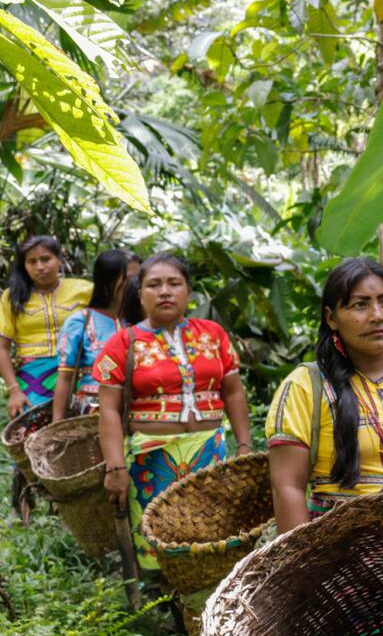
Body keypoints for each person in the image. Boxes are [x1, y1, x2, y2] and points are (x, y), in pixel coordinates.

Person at [94, 253, 253, 570]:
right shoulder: (122, 343)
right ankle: (170, 604)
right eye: (154, 284)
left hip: (211, 457)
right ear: (140, 295)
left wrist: (245, 444)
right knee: (161, 538)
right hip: (152, 460)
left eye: (174, 283)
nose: (164, 291)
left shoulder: (213, 334)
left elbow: (233, 391)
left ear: (188, 292)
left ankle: (205, 604)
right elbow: (109, 411)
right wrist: (115, 469)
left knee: (213, 536)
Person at [265, 257, 383, 533]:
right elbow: (287, 486)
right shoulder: (304, 386)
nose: (377, 315)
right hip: (340, 549)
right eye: (360, 304)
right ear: (331, 318)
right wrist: (303, 567)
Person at [0, 235, 92, 418]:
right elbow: (2, 348)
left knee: (82, 432)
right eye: (31, 262)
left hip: (79, 373)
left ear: (59, 259)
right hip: (32, 377)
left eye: (45, 259)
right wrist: (14, 391)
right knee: (32, 431)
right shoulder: (12, 297)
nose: (40, 267)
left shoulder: (85, 290)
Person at [52, 249, 141, 422]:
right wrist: (57, 425)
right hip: (93, 416)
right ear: (108, 281)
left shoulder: (144, 321)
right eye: (129, 280)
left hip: (138, 413)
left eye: (140, 279)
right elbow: (65, 377)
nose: (137, 285)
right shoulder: (80, 322)